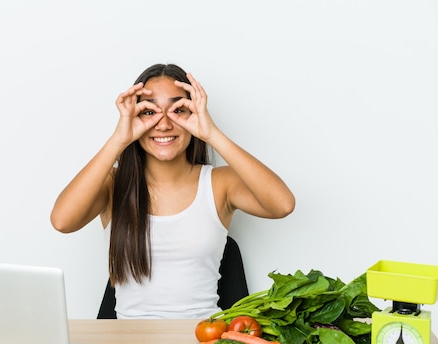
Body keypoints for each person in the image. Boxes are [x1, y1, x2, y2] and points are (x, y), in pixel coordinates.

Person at [51, 63, 295, 319]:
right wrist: (119, 140)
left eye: (179, 110)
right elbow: (62, 221)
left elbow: (282, 204)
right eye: (149, 112)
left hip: (202, 341)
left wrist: (211, 133)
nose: (164, 124)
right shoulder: (113, 183)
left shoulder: (219, 183)